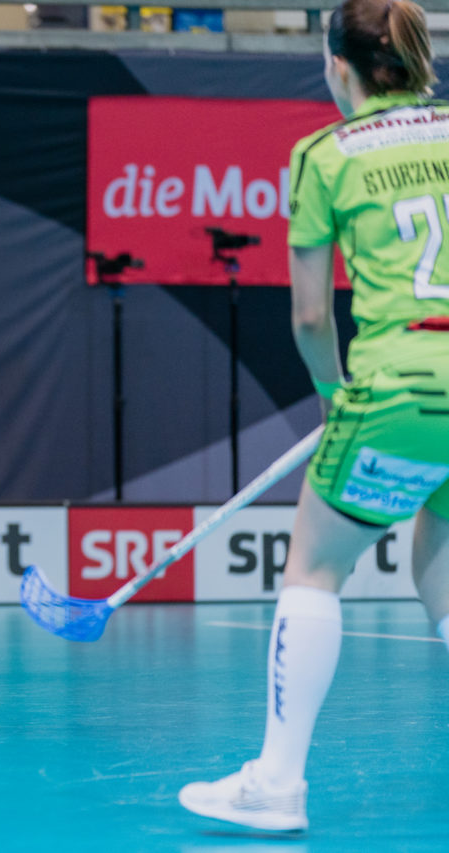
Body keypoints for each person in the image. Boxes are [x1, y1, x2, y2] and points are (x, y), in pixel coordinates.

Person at [179, 0, 449, 832]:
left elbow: (307, 318)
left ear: (338, 67)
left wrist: (337, 399)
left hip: (399, 382)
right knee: (440, 552)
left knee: (316, 565)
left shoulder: (324, 154)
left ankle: (278, 784)